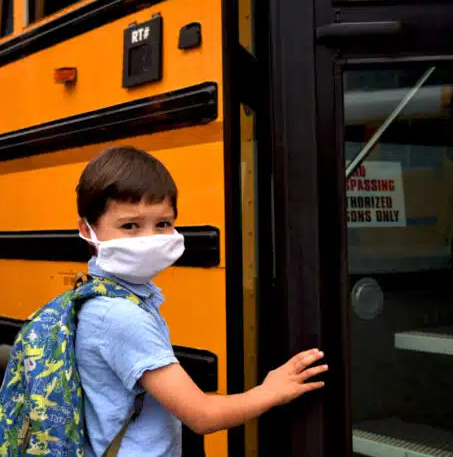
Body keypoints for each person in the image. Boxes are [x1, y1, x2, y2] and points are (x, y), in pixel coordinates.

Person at [75, 146, 328, 456]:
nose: (149, 238)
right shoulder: (119, 316)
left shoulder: (98, 294)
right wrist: (271, 391)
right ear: (87, 230)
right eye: (130, 226)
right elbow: (202, 416)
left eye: (163, 224)